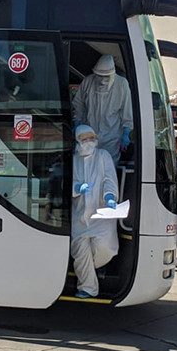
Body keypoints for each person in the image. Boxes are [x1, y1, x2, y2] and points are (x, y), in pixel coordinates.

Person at [71, 125, 119, 298]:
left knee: (105, 247)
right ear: (78, 142)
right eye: (85, 139)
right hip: (79, 216)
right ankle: (87, 288)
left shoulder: (103, 156)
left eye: (92, 138)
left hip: (101, 215)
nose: (89, 142)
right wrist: (77, 188)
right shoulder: (74, 160)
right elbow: (66, 183)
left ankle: (97, 266)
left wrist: (109, 196)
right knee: (80, 252)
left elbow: (109, 178)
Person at [72, 54, 133, 164]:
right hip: (88, 136)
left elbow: (127, 111)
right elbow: (78, 104)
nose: (102, 80)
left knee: (108, 167)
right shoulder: (88, 82)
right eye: (100, 76)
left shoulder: (122, 85)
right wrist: (77, 122)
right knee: (87, 167)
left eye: (106, 77)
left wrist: (126, 132)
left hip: (111, 137)